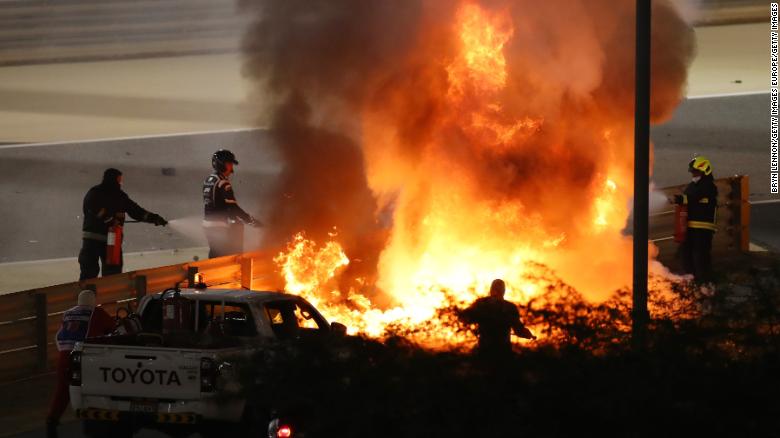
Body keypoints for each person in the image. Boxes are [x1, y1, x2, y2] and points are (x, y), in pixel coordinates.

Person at [46, 290, 115, 438]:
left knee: (62, 391)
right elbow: (113, 327)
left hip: (64, 357)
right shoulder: (97, 313)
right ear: (94, 301)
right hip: (83, 357)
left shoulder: (67, 313)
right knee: (94, 389)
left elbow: (59, 335)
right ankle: (95, 426)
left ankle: (51, 422)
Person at [79, 168, 167, 280]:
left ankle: (94, 295)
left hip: (108, 239)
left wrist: (155, 218)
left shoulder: (118, 196)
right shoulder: (97, 193)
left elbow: (137, 212)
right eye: (119, 180)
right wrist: (109, 220)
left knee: (105, 273)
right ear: (114, 179)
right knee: (97, 272)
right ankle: (91, 295)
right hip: (99, 240)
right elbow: (92, 206)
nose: (121, 182)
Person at [202, 149, 261, 258]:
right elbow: (233, 207)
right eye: (229, 164)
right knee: (228, 257)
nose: (231, 168)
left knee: (214, 254)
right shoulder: (223, 183)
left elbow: (215, 204)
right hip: (219, 226)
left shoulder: (208, 180)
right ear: (221, 164)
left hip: (208, 225)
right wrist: (250, 220)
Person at [460, 279, 535, 357]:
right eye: (496, 288)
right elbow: (519, 329)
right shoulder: (507, 307)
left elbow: (518, 329)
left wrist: (527, 334)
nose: (497, 291)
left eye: (499, 289)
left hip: (493, 350)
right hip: (493, 350)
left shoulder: (483, 303)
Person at [672, 156, 718, 283]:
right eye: (692, 172)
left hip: (703, 228)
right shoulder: (692, 186)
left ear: (705, 171)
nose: (694, 174)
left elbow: (694, 198)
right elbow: (689, 197)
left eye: (696, 172)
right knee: (685, 255)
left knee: (700, 257)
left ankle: (705, 284)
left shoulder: (709, 186)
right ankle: (690, 282)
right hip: (690, 227)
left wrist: (682, 199)